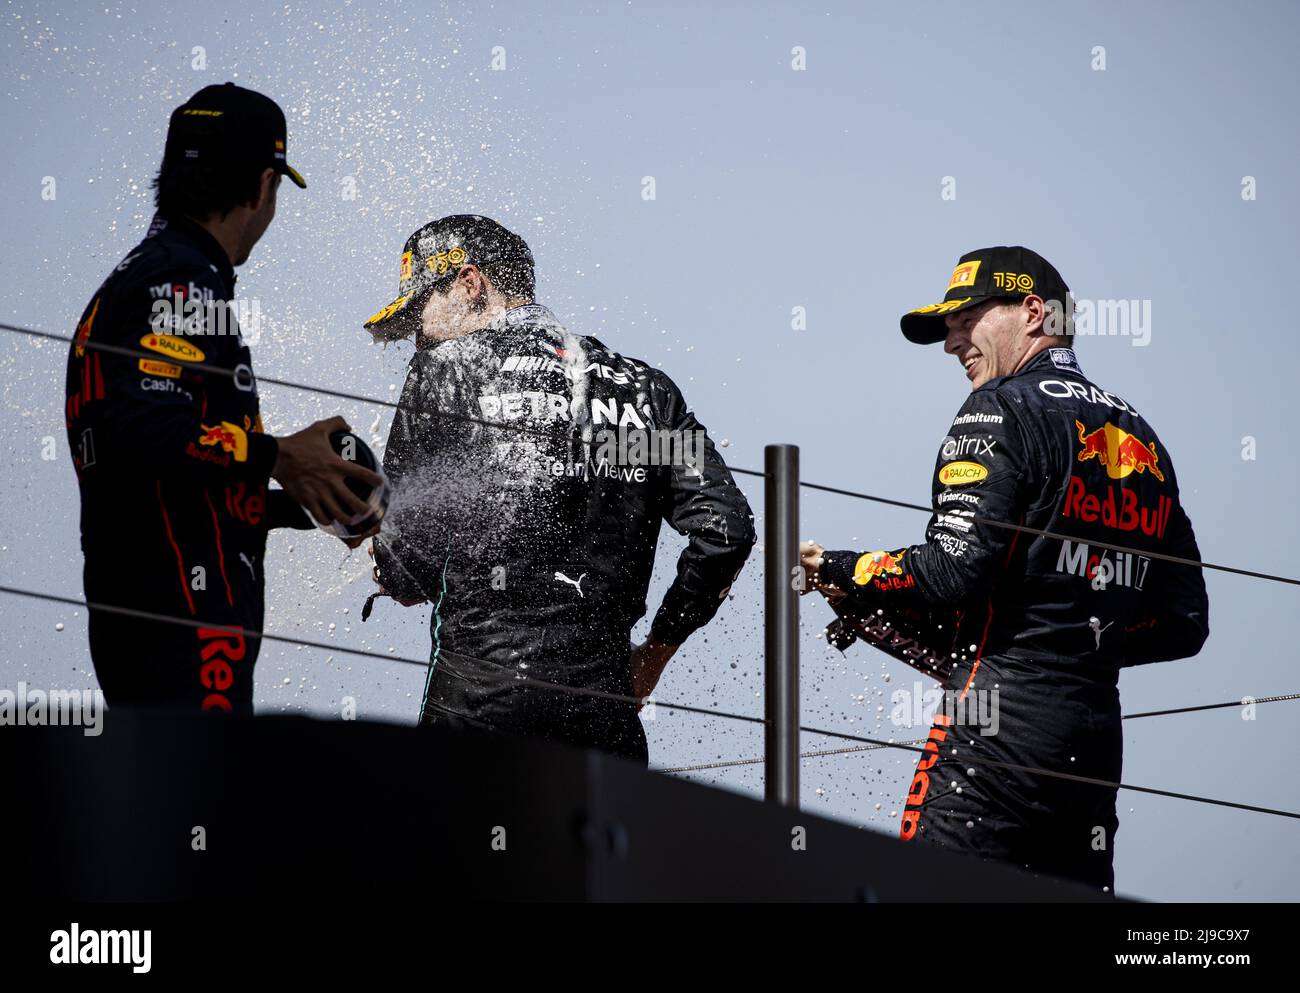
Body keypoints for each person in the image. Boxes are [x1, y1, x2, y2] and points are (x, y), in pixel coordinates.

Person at [800, 246, 1209, 891]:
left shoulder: (999, 407)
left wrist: (847, 570)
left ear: (1033, 312)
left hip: (992, 734)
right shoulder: (1140, 435)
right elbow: (1183, 622)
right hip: (1092, 749)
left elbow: (952, 572)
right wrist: (1070, 643)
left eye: (966, 318)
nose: (950, 342)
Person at [362, 215, 755, 763]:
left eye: (421, 313)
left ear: (470, 285)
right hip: (605, 715)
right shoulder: (646, 389)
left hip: (478, 707)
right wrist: (654, 656)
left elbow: (410, 563)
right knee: (589, 851)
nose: (419, 336)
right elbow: (726, 534)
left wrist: (383, 563)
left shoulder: (444, 371)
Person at [64, 83, 382, 715]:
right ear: (265, 186)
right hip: (185, 630)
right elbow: (146, 432)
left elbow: (168, 479)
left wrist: (306, 500)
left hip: (155, 622)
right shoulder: (181, 278)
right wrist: (281, 456)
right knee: (200, 805)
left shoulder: (146, 274)